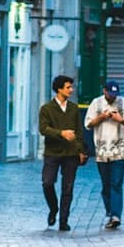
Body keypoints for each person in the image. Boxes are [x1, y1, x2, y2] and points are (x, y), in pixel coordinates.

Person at [85, 80, 124, 229]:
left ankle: (116, 215)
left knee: (116, 183)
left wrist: (120, 120)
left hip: (120, 150)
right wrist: (102, 117)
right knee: (106, 184)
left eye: (115, 95)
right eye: (110, 94)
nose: (113, 98)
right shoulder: (96, 103)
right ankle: (110, 212)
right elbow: (88, 124)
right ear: (104, 91)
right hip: (102, 151)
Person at [38, 75, 85, 231]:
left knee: (68, 187)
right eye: (68, 87)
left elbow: (79, 131)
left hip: (71, 154)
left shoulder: (73, 108)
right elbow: (43, 129)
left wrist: (81, 150)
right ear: (59, 89)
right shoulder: (46, 109)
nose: (71, 90)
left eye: (72, 87)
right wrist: (61, 133)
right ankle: (53, 208)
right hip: (52, 152)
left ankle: (63, 220)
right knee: (47, 182)